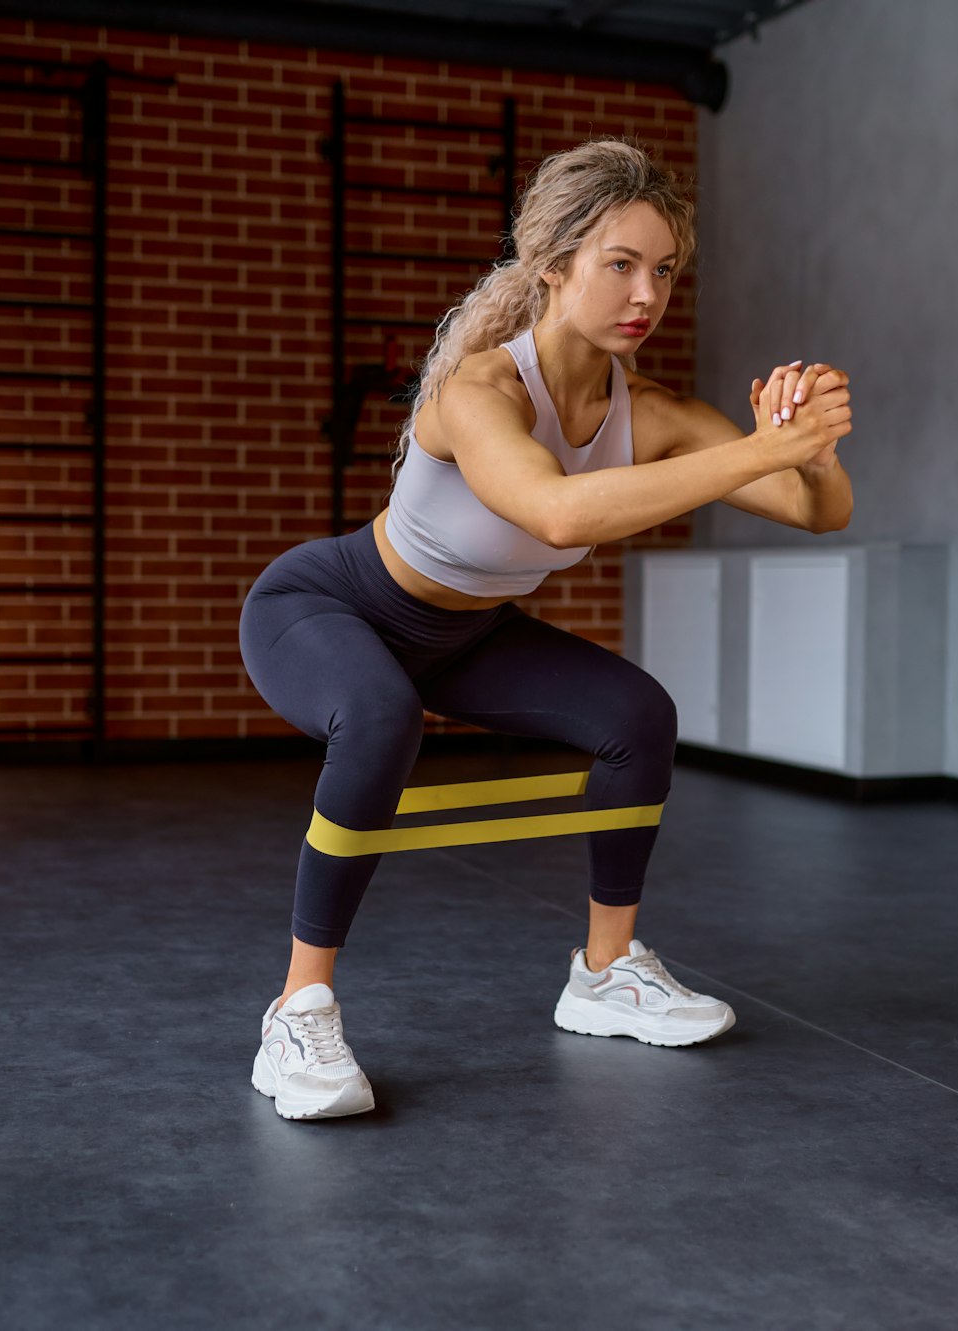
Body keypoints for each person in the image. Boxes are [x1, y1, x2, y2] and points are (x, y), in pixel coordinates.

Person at [240, 139, 853, 1120]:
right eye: (619, 263)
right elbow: (557, 513)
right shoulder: (478, 390)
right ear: (554, 264)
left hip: (468, 634)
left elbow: (819, 512)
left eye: (660, 270)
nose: (643, 291)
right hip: (329, 607)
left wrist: (806, 445)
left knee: (635, 715)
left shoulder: (645, 410)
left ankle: (604, 974)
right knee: (380, 714)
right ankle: (296, 1006)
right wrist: (756, 451)